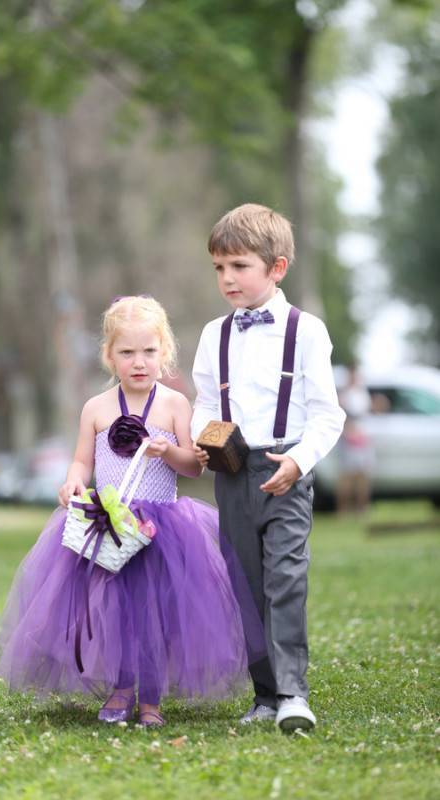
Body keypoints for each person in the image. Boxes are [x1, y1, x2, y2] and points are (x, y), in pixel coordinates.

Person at [0, 296, 265, 727]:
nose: (139, 362)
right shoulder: (96, 408)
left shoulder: (174, 405)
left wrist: (169, 450)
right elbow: (84, 460)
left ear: (165, 353)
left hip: (161, 528)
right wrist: (73, 481)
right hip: (110, 525)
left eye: (149, 352)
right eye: (127, 352)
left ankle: (151, 698)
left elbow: (194, 467)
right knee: (113, 612)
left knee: (154, 613)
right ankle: (121, 688)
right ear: (109, 355)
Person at [192, 204, 346, 732]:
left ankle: (293, 693)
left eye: (239, 266)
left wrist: (299, 461)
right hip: (232, 472)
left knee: (285, 578)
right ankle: (262, 695)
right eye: (219, 268)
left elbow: (328, 414)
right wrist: (202, 437)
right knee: (245, 583)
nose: (227, 278)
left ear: (276, 268)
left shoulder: (307, 331)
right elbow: (205, 403)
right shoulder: (215, 335)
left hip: (286, 469)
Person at [336, 365, 374, 515]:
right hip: (349, 438)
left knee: (363, 475)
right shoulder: (344, 394)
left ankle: (361, 508)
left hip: (363, 437)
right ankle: (343, 510)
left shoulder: (362, 393)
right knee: (347, 476)